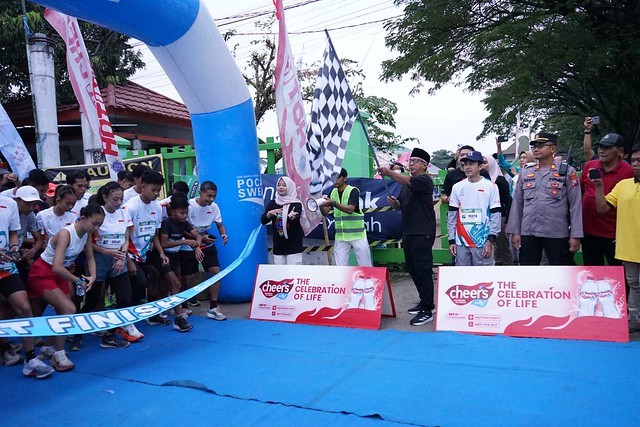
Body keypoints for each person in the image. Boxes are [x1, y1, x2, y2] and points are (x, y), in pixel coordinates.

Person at [27, 204, 103, 372]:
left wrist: (93, 276)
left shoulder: (87, 234)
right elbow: (56, 266)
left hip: (60, 274)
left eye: (99, 225)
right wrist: (78, 281)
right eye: (94, 223)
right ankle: (57, 355)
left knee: (65, 311)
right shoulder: (65, 234)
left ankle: (49, 348)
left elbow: (90, 258)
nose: (96, 228)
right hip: (42, 273)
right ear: (83, 218)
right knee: (68, 309)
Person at [378, 147, 436, 326]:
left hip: (422, 231)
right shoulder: (406, 186)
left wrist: (388, 172)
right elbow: (400, 206)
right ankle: (424, 302)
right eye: (410, 161)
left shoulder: (424, 180)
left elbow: (406, 180)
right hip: (409, 231)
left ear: (424, 165)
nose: (411, 164)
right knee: (412, 268)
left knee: (423, 270)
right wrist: (394, 203)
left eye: (415, 161)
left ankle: (428, 309)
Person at [78, 182, 140, 347]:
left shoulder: (124, 212)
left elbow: (126, 238)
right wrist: (107, 252)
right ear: (105, 197)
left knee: (125, 298)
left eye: (121, 199)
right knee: (92, 300)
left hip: (119, 259)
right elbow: (88, 242)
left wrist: (121, 256)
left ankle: (111, 334)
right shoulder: (97, 214)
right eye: (115, 199)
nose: (118, 202)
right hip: (98, 260)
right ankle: (76, 331)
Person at [0, 192, 54, 378]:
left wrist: (14, 247)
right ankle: (4, 348)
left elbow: (13, 233)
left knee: (23, 307)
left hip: (5, 267)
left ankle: (30, 359)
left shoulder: (9, 204)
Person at [507, 132, 583, 265]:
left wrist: (576, 234)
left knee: (560, 270)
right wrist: (515, 232)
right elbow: (517, 204)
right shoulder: (526, 172)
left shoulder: (566, 171)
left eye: (541, 145)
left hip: (556, 232)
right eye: (534, 146)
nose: (536, 149)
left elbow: (576, 205)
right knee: (528, 270)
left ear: (552, 148)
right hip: (529, 231)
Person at [593, 144, 640, 331]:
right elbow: (602, 208)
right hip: (628, 247)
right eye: (633, 160)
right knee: (634, 284)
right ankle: (634, 319)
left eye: (639, 161)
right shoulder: (623, 185)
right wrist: (599, 187)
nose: (635, 164)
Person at [580, 133, 633, 267]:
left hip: (615, 234)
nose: (601, 150)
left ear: (620, 151)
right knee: (592, 272)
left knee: (619, 273)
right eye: (600, 147)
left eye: (607, 147)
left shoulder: (629, 171)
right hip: (588, 232)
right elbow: (580, 193)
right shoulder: (590, 166)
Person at [122, 171, 168, 325]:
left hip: (146, 252)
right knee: (140, 283)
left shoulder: (158, 207)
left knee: (156, 275)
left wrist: (161, 253)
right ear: (143, 186)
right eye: (153, 190)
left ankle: (152, 313)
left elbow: (154, 233)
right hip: (130, 254)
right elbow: (123, 236)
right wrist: (128, 260)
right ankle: (128, 318)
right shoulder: (130, 207)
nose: (156, 194)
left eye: (158, 190)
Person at [152, 196, 202, 332]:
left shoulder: (185, 223)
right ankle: (179, 317)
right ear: (172, 211)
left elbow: (197, 236)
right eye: (181, 213)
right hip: (162, 258)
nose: (184, 216)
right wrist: (185, 241)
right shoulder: (166, 223)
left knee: (166, 286)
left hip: (175, 258)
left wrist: (197, 245)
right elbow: (164, 243)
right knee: (176, 284)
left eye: (186, 213)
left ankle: (156, 314)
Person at [181, 181, 228, 320]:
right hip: (188, 244)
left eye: (214, 196)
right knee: (186, 278)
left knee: (216, 273)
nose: (211, 199)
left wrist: (223, 234)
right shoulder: (189, 206)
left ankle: (213, 308)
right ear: (200, 193)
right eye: (209, 196)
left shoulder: (214, 207)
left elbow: (220, 225)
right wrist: (199, 239)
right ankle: (184, 306)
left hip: (206, 244)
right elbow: (182, 229)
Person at [447, 151, 501, 266]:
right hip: (461, 241)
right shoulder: (457, 187)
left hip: (482, 241)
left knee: (483, 275)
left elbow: (495, 214)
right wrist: (451, 239)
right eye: (465, 164)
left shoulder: (491, 186)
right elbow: (452, 215)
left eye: (471, 164)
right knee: (463, 275)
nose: (467, 167)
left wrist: (490, 240)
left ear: (480, 166)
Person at [320, 168, 372, 267]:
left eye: (337, 177)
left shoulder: (353, 191)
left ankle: (369, 278)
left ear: (345, 178)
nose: (335, 180)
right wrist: (320, 204)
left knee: (365, 265)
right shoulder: (333, 192)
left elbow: (350, 209)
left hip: (357, 236)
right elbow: (325, 212)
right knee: (340, 267)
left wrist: (334, 203)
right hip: (341, 236)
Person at [261, 176, 303, 265]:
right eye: (279, 185)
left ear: (290, 187)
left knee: (294, 271)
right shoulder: (273, 203)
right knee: (279, 272)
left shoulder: (296, 204)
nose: (281, 187)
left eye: (284, 185)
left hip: (293, 245)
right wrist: (269, 214)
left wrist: (291, 217)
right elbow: (263, 220)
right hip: (278, 246)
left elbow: (297, 219)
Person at [483, 155, 512, 265]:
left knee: (502, 245)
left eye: (485, 163)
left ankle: (507, 267)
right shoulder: (480, 180)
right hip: (486, 217)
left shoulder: (500, 180)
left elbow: (508, 201)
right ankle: (497, 265)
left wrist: (507, 221)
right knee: (493, 246)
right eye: (480, 163)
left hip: (500, 217)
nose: (482, 165)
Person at [12, 186, 45, 283]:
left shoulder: (30, 215)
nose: (31, 208)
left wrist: (33, 251)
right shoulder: (6, 213)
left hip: (17, 254)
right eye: (27, 203)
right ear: (17, 200)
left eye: (34, 204)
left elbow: (39, 239)